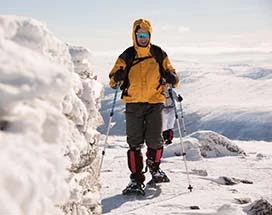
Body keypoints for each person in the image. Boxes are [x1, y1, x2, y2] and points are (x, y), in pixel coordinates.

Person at [109, 18, 179, 194]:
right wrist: (117, 76)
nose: (142, 38)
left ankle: (154, 167)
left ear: (150, 35)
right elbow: (112, 80)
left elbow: (173, 75)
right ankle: (136, 179)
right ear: (135, 35)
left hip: (155, 102)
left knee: (155, 140)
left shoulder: (158, 53)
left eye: (145, 35)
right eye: (139, 35)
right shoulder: (127, 55)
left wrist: (172, 78)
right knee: (134, 143)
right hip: (133, 104)